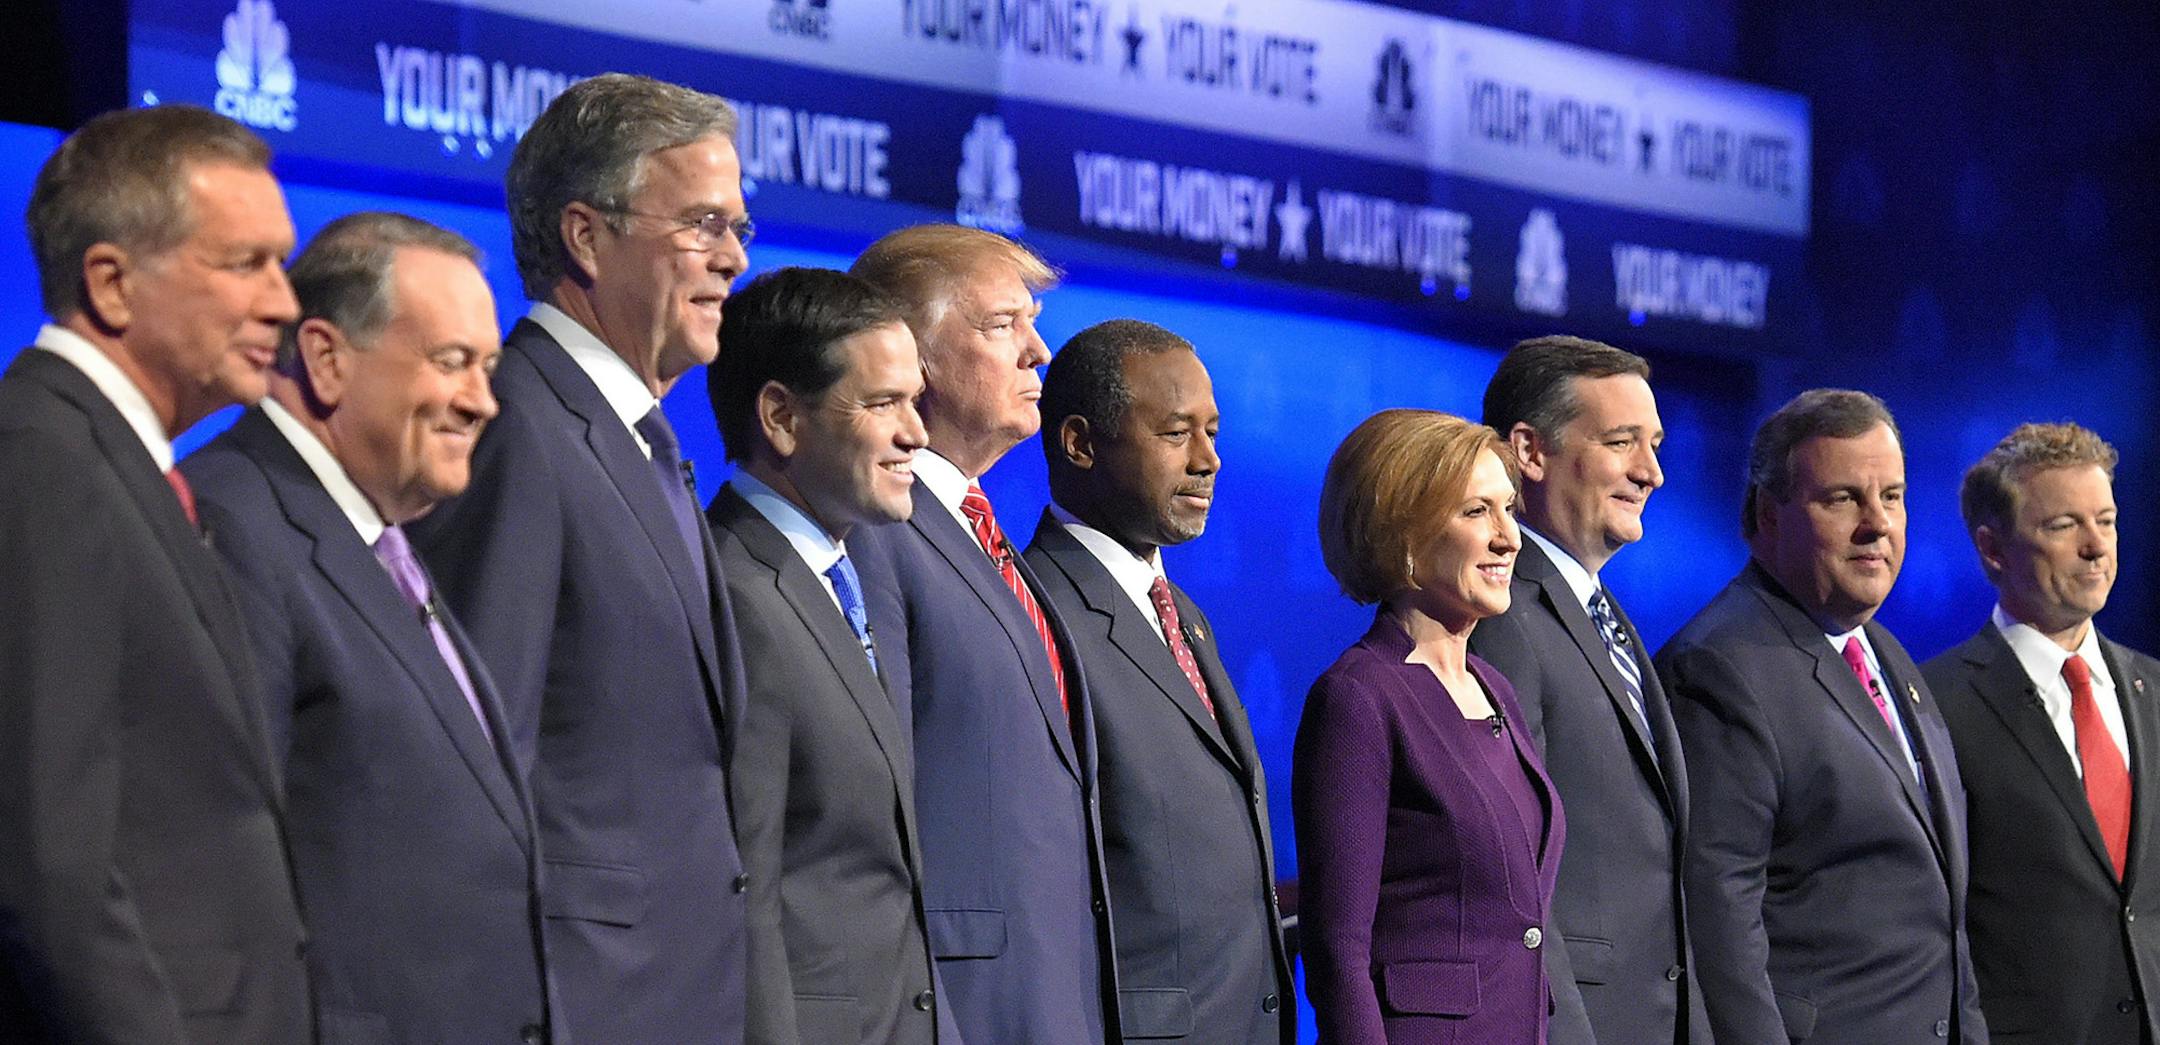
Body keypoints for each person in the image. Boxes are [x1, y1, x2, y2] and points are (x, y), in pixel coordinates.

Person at [405, 72, 754, 1043]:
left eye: (739, 230)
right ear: (587, 235)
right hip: (588, 1002)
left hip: (684, 995)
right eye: (702, 225)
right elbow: (477, 762)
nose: (731, 259)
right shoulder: (517, 426)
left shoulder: (646, 439)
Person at [181, 213, 554, 1043]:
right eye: (452, 361)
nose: (482, 401)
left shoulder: (381, 540)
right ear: (324, 357)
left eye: (489, 368)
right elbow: (213, 877)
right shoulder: (236, 524)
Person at [0, 103, 310, 1044]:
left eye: (284, 264)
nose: (285, 303)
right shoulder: (42, 460)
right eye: (244, 263)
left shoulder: (124, 467)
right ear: (113, 282)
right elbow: (51, 865)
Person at [846, 224, 1120, 1043]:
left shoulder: (989, 537)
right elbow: (873, 810)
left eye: (1033, 321)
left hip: (1057, 994)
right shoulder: (872, 532)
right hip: (962, 1008)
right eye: (1004, 325)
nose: (1040, 350)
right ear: (911, 352)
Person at [1657, 389, 1985, 1044]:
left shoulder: (1884, 650)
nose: (1878, 523)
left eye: (1892, 496)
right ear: (1766, 516)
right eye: (1843, 498)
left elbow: (1941, 917)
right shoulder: (1721, 667)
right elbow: (1720, 926)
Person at [702, 266, 954, 1044]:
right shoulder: (739, 595)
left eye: (915, 400)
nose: (916, 432)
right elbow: (747, 887)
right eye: (883, 403)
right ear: (781, 416)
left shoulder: (854, 583)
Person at [1025, 319, 1296, 1043]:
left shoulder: (1188, 617)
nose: (1208, 460)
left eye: (1212, 431)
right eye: (1177, 433)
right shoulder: (1033, 611)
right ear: (1079, 443)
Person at [1296, 408, 1563, 1044]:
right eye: (1477, 512)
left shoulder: (1494, 688)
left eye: (1508, 509)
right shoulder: (1359, 698)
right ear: (1404, 535)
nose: (1510, 538)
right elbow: (1338, 952)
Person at [1469, 335, 1707, 1045]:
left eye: (1655, 443)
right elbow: (1514, 877)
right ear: (1529, 453)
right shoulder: (1503, 618)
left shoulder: (1606, 617)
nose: (1653, 472)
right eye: (1622, 442)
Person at [1922, 422, 2159, 1044]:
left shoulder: (2156, 691)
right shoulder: (1934, 705)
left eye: (2105, 521)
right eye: (2064, 526)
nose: (2096, 546)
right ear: (1993, 549)